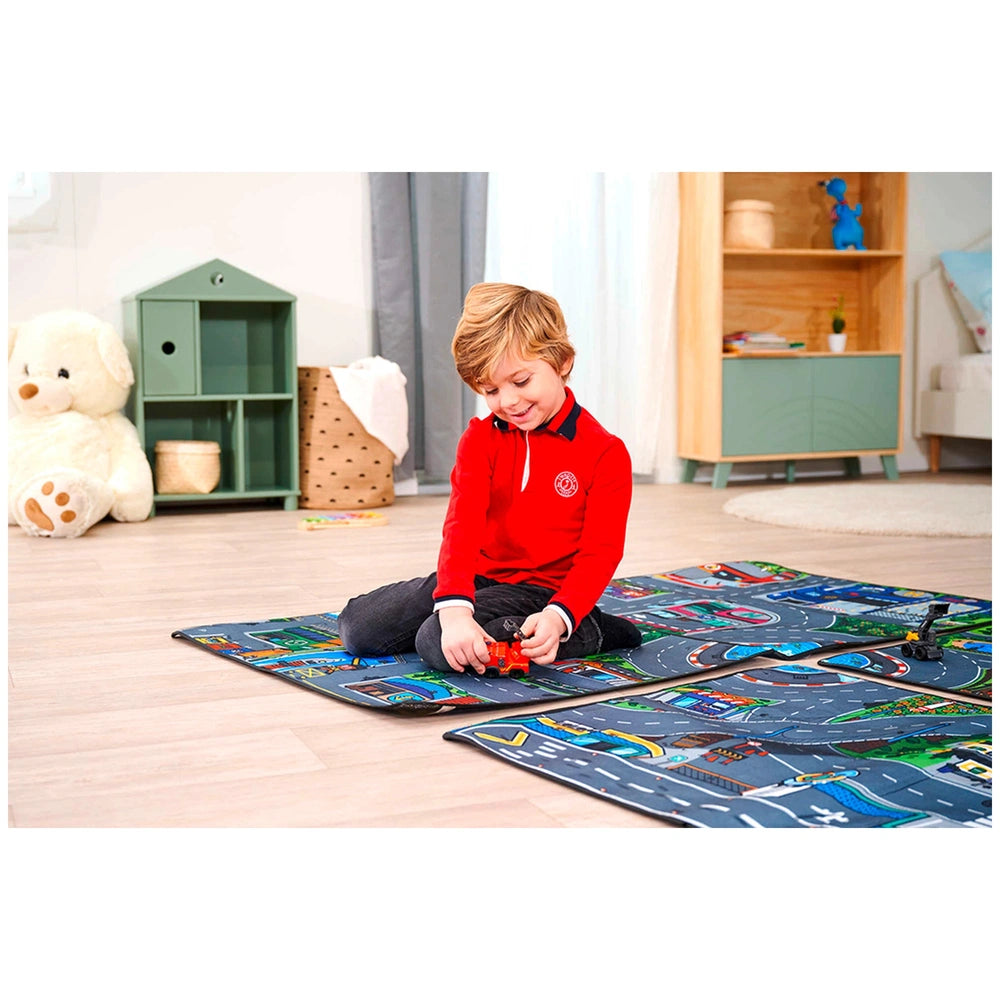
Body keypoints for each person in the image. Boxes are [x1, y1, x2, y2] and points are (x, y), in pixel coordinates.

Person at [337, 282, 641, 674]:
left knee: (434, 642)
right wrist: (455, 607)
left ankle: (588, 629)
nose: (509, 401)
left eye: (521, 381)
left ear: (563, 362)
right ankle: (493, 623)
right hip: (480, 578)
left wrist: (559, 614)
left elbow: (600, 553)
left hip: (545, 592)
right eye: (491, 390)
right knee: (357, 627)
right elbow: (461, 528)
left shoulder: (605, 453)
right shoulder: (480, 439)